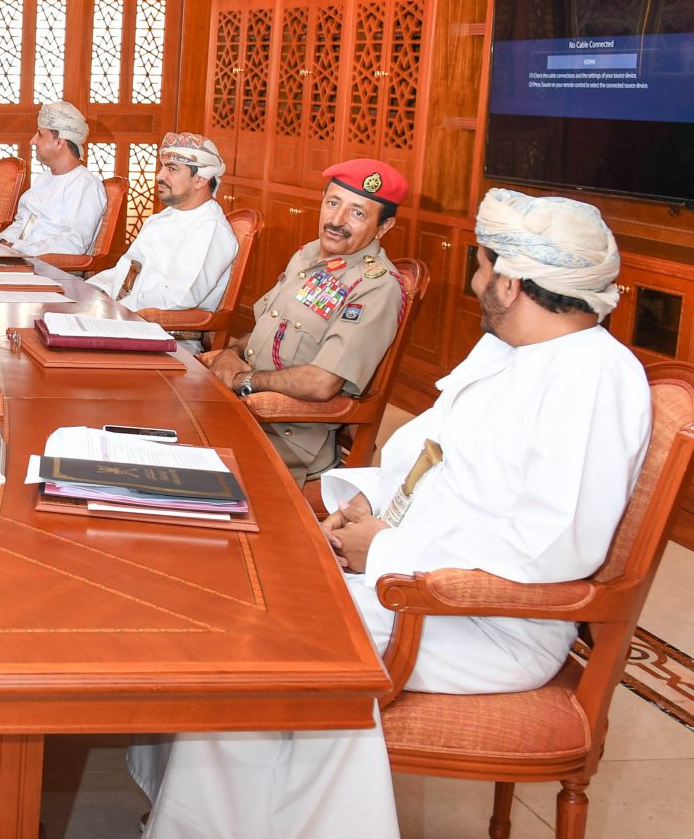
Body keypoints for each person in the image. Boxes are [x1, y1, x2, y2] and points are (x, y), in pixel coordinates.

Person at [133, 188, 649, 839]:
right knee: (237, 582)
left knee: (259, 638)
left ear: (511, 283)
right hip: (411, 570)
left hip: (487, 619)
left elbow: (552, 546)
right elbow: (429, 461)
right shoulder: (508, 351)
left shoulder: (592, 378)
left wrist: (386, 549)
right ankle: (202, 813)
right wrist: (361, 506)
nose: (475, 283)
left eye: (482, 269)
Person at [203, 159, 411, 480]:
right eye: (333, 203)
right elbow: (267, 330)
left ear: (384, 227)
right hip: (245, 408)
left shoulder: (375, 286)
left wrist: (245, 381)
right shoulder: (307, 255)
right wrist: (232, 353)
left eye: (357, 213)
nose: (337, 220)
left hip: (287, 435)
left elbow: (321, 383)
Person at [85, 132, 238, 316]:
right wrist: (89, 291)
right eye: (162, 167)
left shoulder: (210, 228)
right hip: (124, 313)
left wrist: (116, 310)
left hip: (156, 326)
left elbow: (178, 296)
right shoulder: (165, 217)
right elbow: (124, 271)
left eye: (172, 169)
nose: (159, 175)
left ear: (200, 180)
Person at [0, 101, 107, 257]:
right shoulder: (43, 178)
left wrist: (19, 250)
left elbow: (74, 243)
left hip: (47, 267)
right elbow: (22, 223)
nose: (32, 141)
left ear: (59, 142)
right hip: (18, 259)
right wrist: (3, 242)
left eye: (39, 134)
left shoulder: (85, 185)